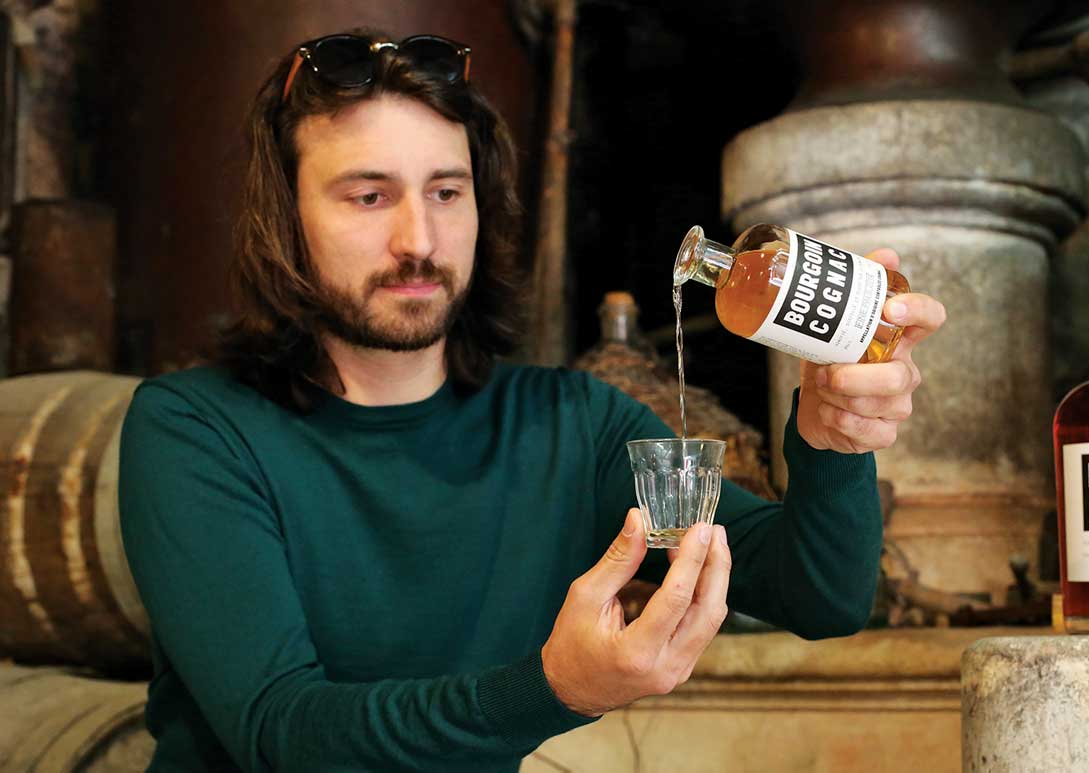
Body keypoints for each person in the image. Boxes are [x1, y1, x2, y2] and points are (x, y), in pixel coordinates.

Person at [118, 28, 946, 773]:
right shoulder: (195, 428)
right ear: (286, 219)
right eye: (369, 196)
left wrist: (836, 438)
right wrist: (554, 690)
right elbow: (281, 731)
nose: (419, 239)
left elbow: (820, 594)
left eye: (446, 191)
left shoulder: (571, 425)